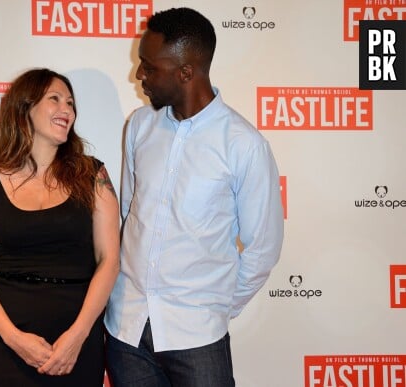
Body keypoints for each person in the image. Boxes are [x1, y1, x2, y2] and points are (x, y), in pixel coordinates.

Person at [105, 7, 284, 387]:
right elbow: (127, 214)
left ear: (185, 72)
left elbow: (263, 248)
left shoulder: (243, 145)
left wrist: (215, 307)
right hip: (126, 328)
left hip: (197, 337)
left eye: (149, 67)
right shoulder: (139, 126)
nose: (139, 75)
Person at [0, 68, 120, 387]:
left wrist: (78, 336)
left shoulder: (93, 175)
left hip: (76, 343)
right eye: (55, 99)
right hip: (8, 344)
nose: (67, 110)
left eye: (71, 103)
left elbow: (109, 260)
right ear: (24, 108)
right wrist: (13, 338)